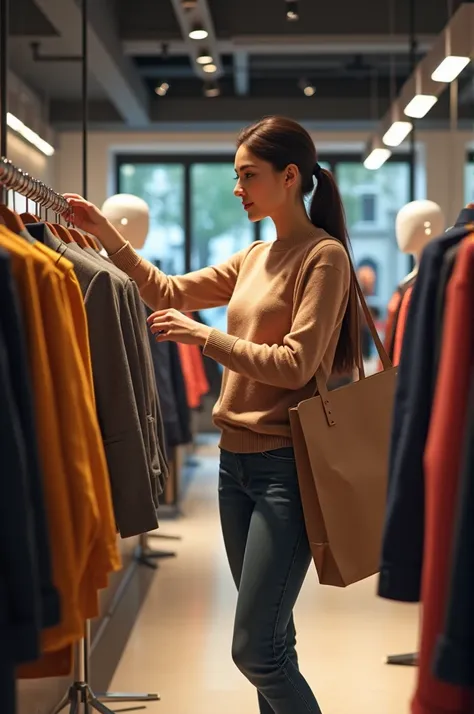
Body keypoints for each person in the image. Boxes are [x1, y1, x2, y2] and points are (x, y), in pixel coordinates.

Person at [64, 115, 360, 714]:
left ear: (290, 176)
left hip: (286, 472)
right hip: (234, 470)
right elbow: (166, 290)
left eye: (248, 176)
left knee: (255, 650)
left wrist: (204, 339)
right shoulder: (255, 255)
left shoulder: (323, 258)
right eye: (235, 177)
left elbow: (297, 365)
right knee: (275, 644)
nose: (237, 189)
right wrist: (104, 237)